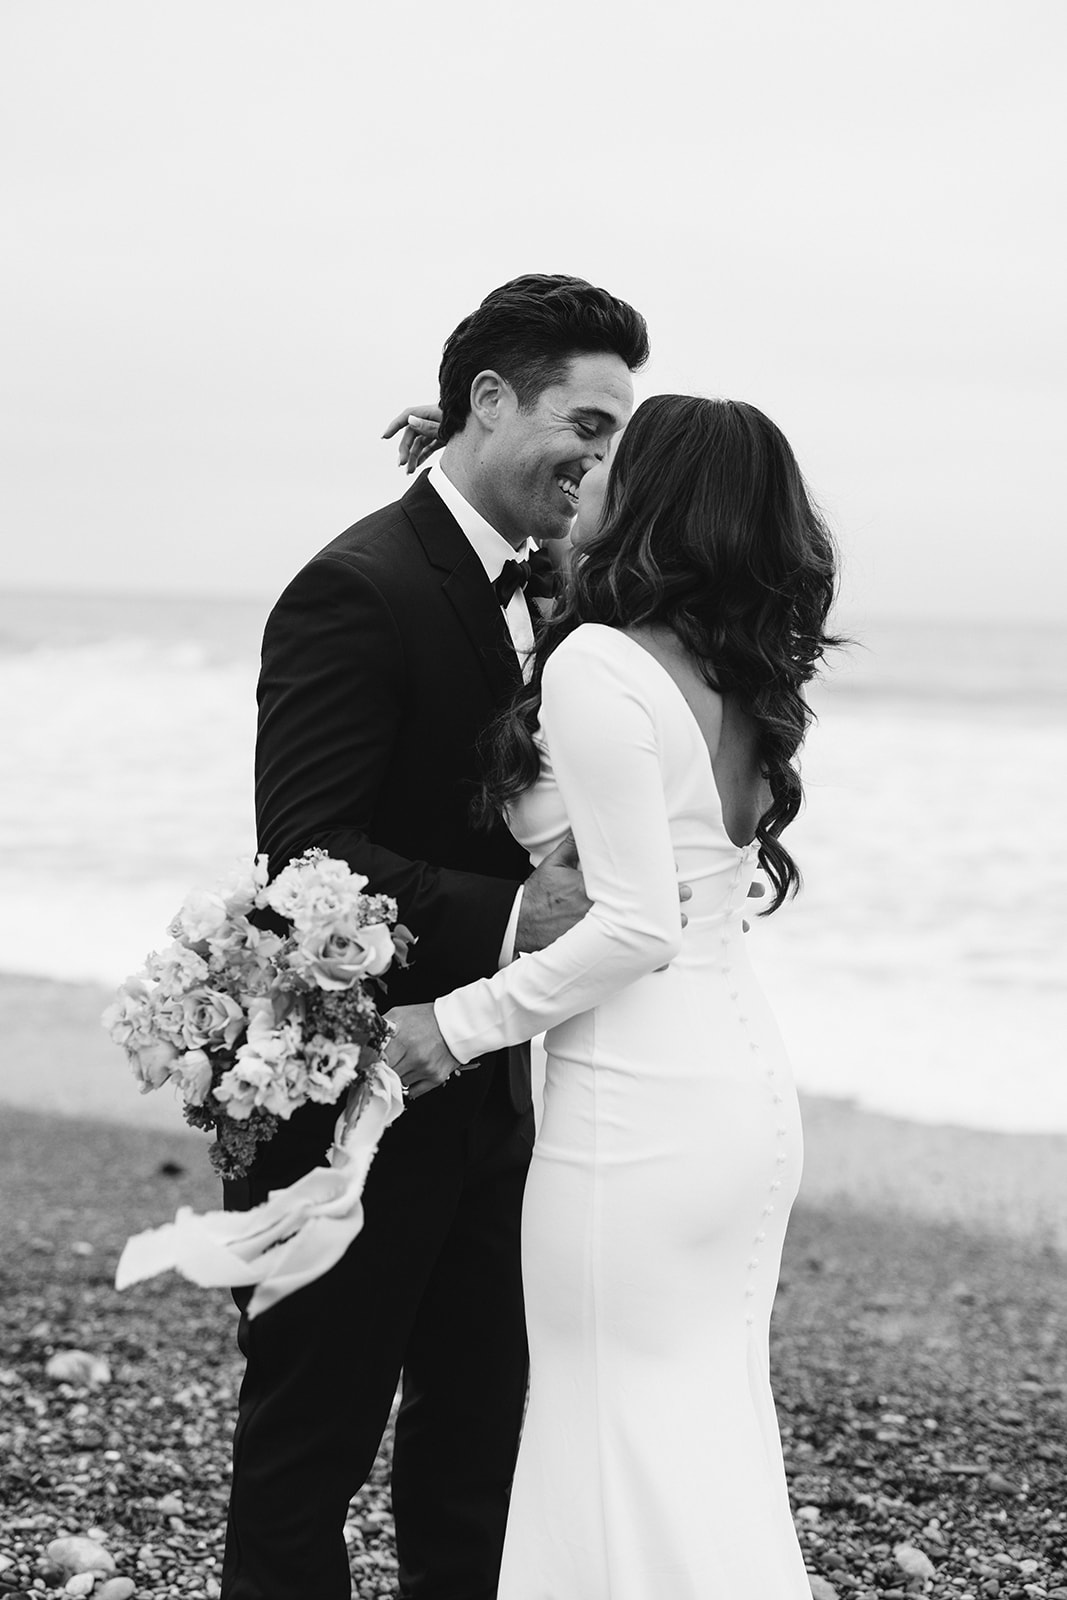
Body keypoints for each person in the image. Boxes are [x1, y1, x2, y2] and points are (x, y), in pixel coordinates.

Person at [222, 274, 652, 1600]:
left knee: (476, 1460)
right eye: (582, 421)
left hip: (498, 1097)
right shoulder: (356, 585)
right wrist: (521, 918)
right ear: (485, 399)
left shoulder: (559, 593)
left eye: (615, 435)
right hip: (348, 1099)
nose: (598, 457)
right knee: (311, 1453)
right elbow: (304, 849)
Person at [387, 393, 841, 1598]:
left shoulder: (602, 665)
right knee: (701, 1436)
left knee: (601, 1434)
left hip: (631, 1113)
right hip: (738, 1095)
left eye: (610, 461)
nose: (584, 472)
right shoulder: (729, 665)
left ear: (651, 499)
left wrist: (456, 1023)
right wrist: (457, 454)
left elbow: (632, 924)